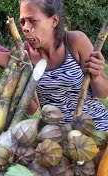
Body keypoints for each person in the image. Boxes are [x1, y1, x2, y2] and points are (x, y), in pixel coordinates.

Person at [19, 0, 108, 131]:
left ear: (54, 20)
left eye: (32, 20)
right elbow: (32, 109)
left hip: (95, 124)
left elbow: (103, 93)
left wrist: (95, 77)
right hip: (55, 135)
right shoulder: (23, 56)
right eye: (22, 22)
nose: (25, 27)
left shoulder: (75, 41)